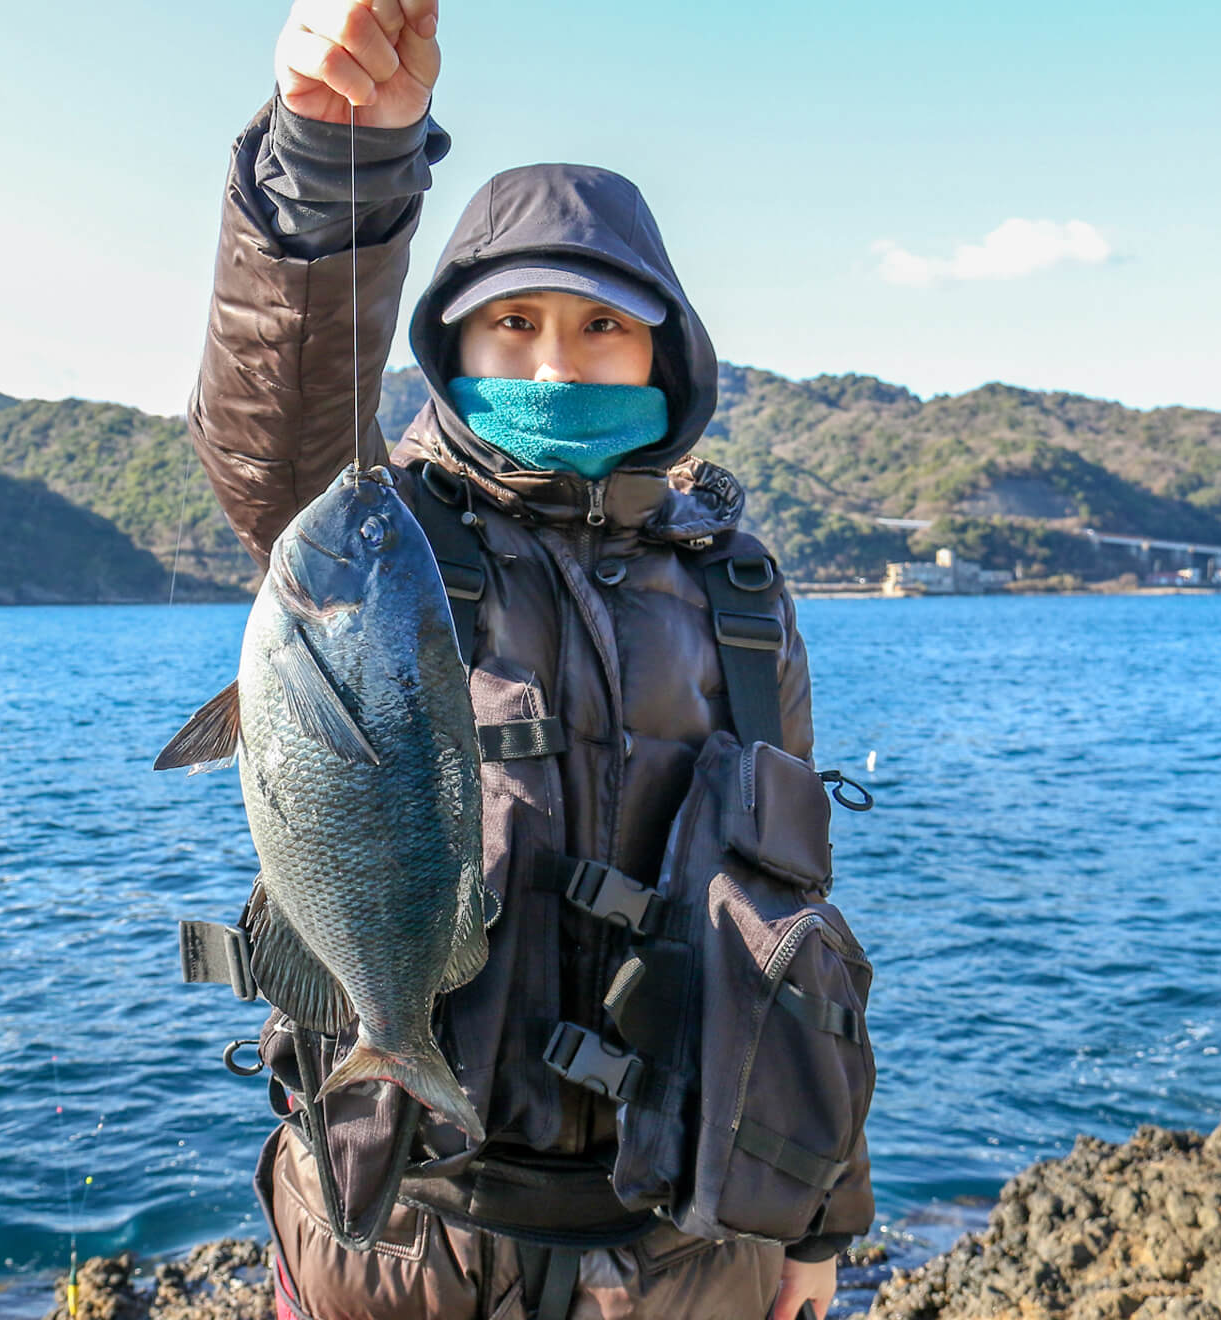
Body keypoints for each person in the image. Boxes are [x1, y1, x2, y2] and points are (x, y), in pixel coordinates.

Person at [185, 2, 872, 1316]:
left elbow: (796, 922)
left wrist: (818, 1220)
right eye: (513, 323)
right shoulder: (385, 542)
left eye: (602, 326)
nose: (555, 363)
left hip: (692, 1259)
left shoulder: (737, 589)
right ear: (450, 350)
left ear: (666, 353)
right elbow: (277, 424)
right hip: (397, 1247)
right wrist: (330, 162)